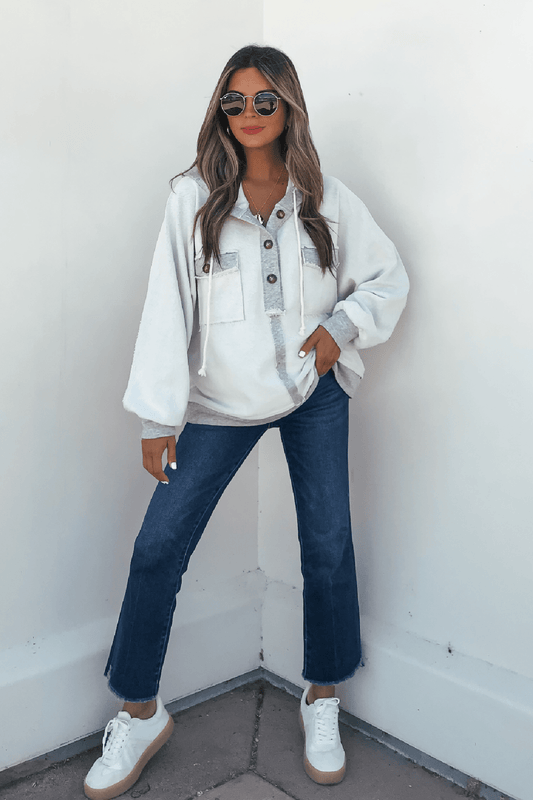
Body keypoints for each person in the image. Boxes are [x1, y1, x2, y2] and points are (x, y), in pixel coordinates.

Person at [84, 44, 409, 800]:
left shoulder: (325, 196)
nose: (250, 114)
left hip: (311, 392)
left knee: (327, 545)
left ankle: (321, 695)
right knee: (158, 547)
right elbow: (167, 310)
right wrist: (156, 419)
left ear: (289, 105)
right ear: (219, 110)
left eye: (265, 100)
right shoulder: (192, 198)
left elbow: (387, 276)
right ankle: (138, 712)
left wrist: (341, 328)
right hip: (217, 406)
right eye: (235, 101)